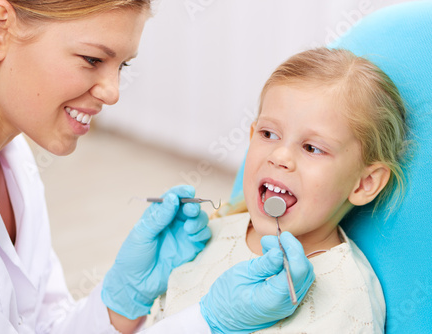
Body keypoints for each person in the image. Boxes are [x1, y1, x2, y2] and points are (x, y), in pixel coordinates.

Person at [0, 1, 315, 333]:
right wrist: (208, 323)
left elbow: (37, 325)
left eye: (122, 66)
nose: (113, 92)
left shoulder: (14, 163)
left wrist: (119, 303)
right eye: (92, 59)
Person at [147, 48, 409, 333]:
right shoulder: (209, 234)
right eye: (268, 134)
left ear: (364, 183)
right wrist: (129, 299)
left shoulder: (347, 302)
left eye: (312, 148)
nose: (279, 156)